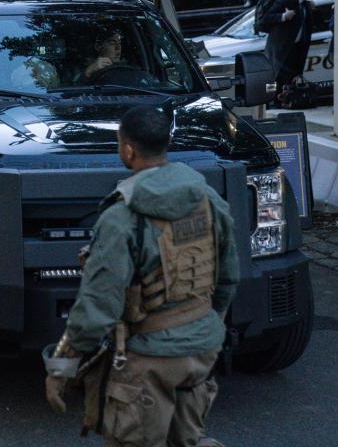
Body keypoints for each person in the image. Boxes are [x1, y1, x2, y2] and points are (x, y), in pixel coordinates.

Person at [43, 105, 239, 447]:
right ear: (167, 143)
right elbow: (228, 277)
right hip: (202, 352)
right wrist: (205, 327)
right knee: (189, 439)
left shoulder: (121, 218)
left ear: (128, 149)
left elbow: (97, 307)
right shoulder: (207, 199)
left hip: (150, 360)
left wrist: (60, 370)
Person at [261, 0, 314, 93]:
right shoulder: (285, 0)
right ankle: (270, 99)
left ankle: (285, 98)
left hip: (295, 47)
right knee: (274, 77)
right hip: (280, 48)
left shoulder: (305, 4)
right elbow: (267, 18)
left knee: (290, 77)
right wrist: (283, 16)